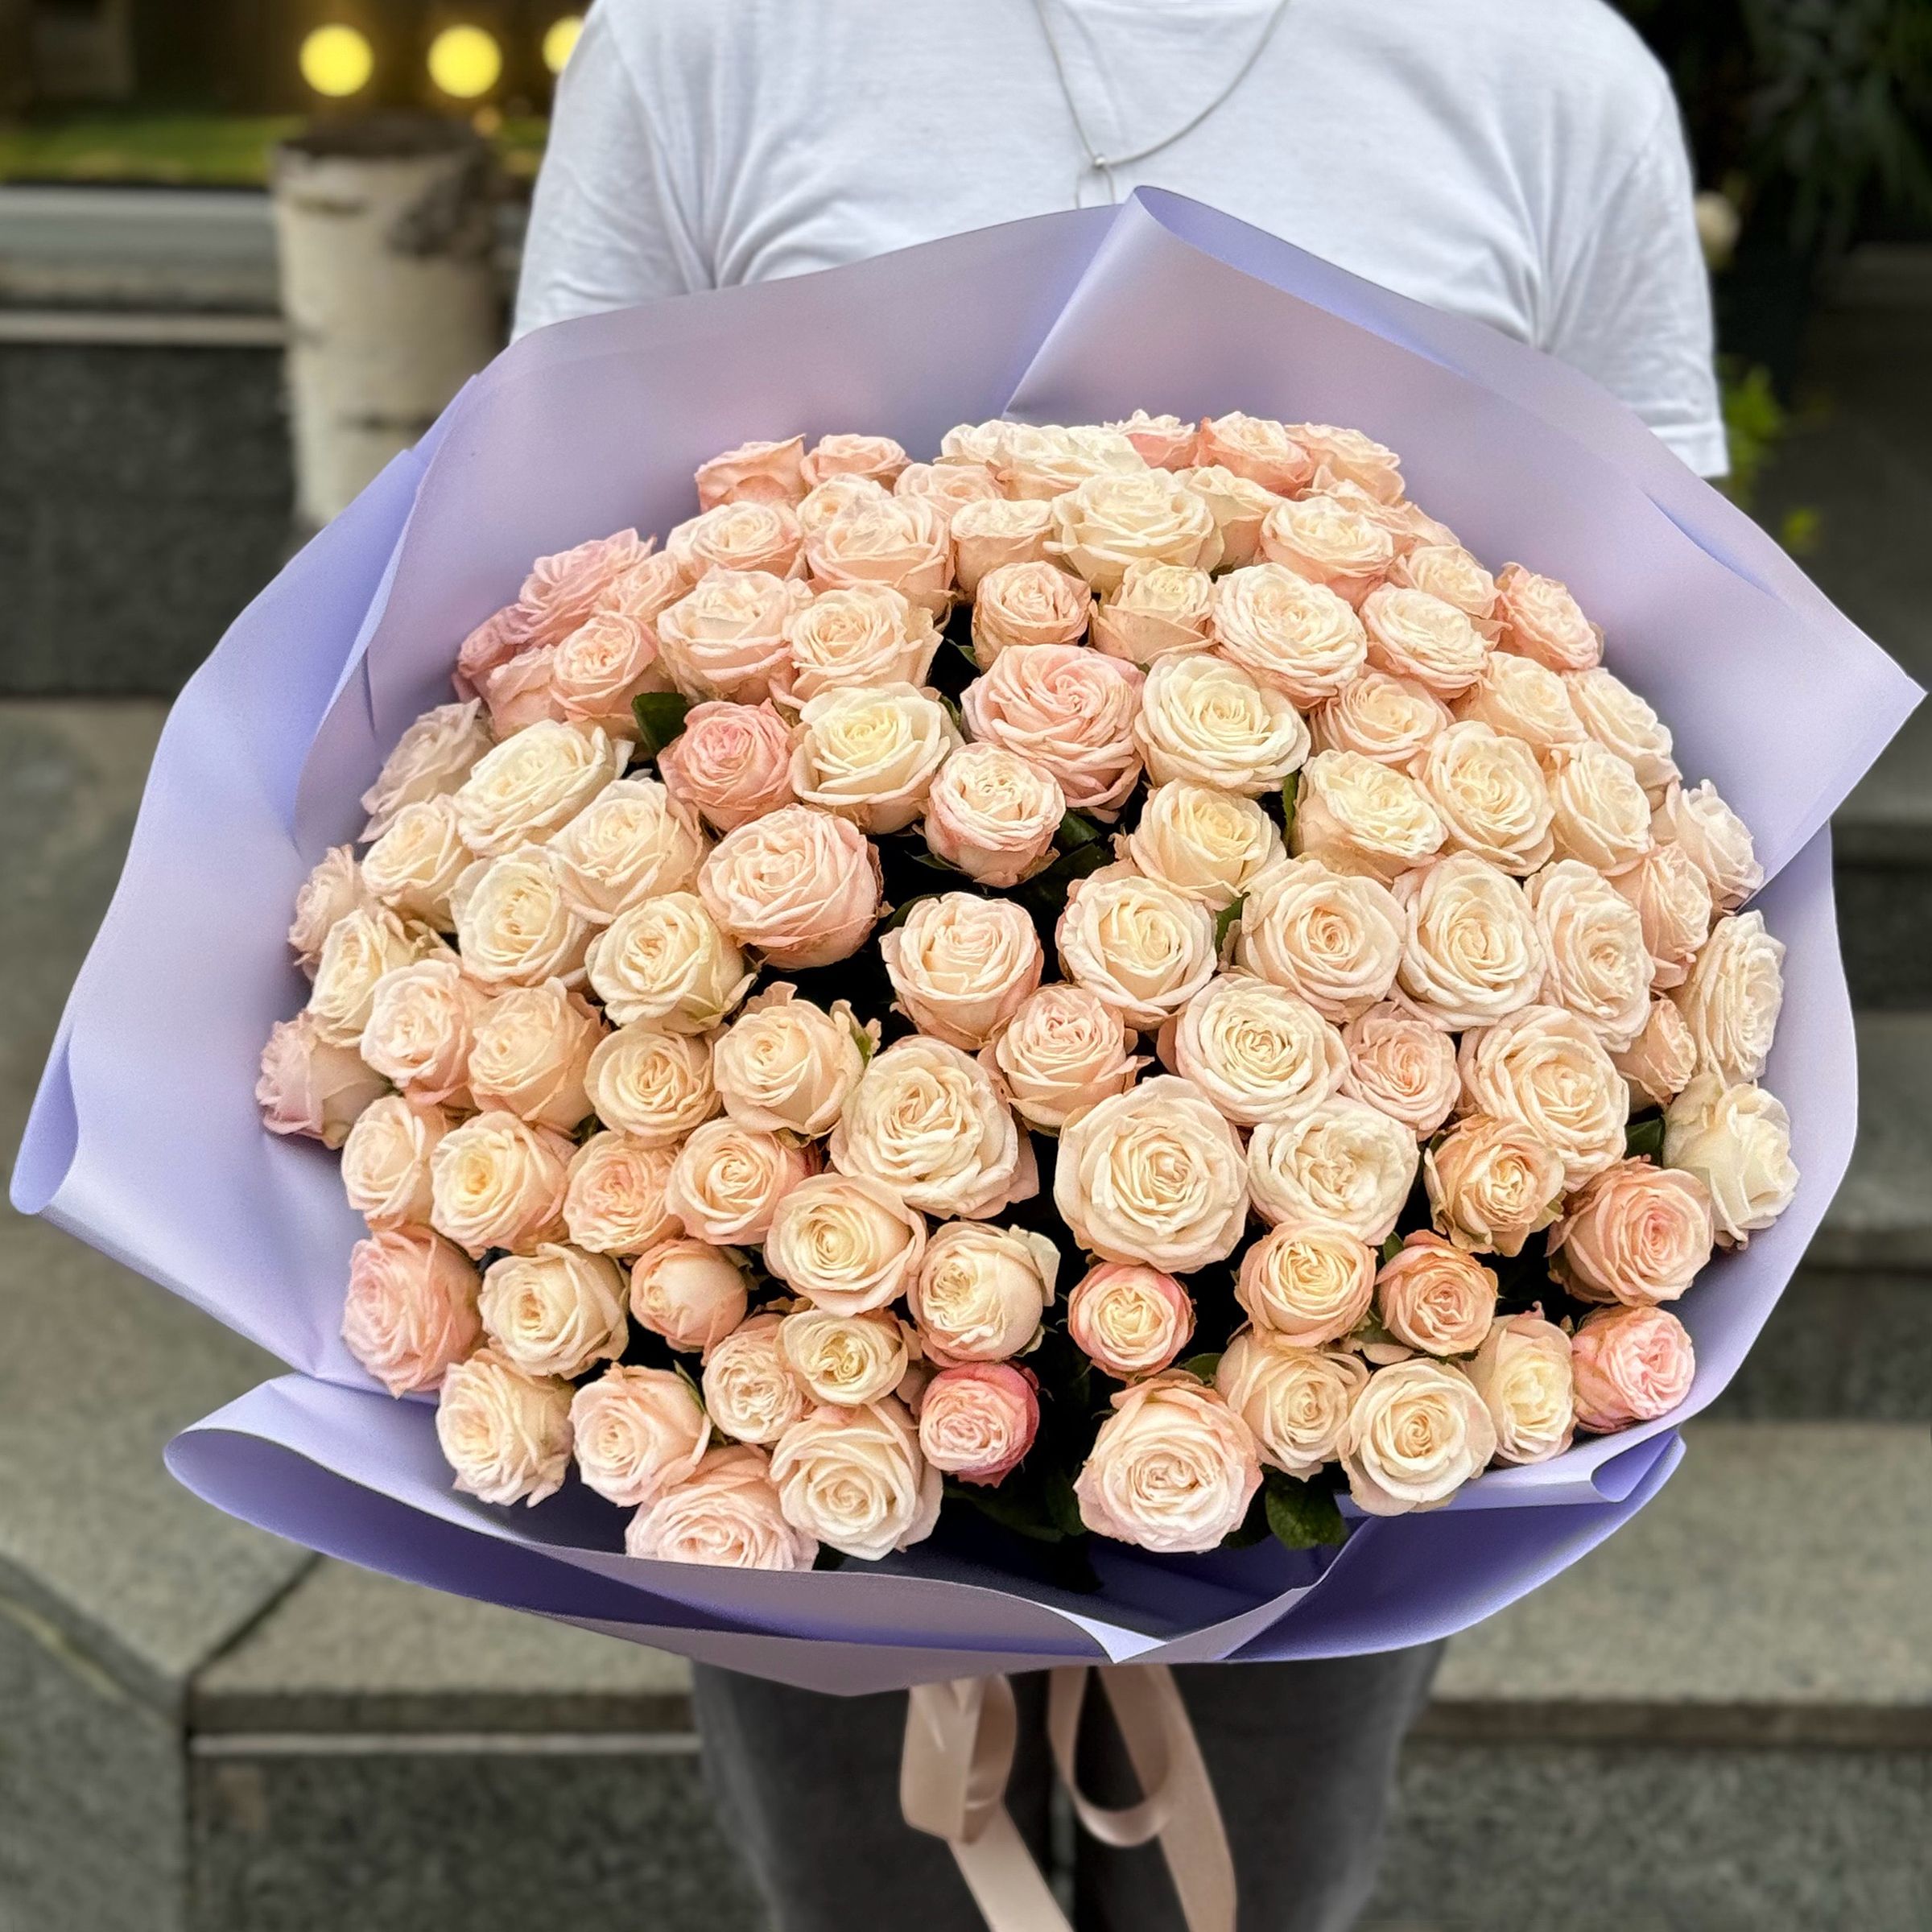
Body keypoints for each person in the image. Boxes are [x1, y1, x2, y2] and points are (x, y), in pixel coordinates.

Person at [514, 6, 1724, 1928]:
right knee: (860, 1896)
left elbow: (1666, 661)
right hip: (772, 1316)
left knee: (1257, 1889)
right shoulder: (705, 40)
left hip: (1358, 1295)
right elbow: (544, 573)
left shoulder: (1552, 75)